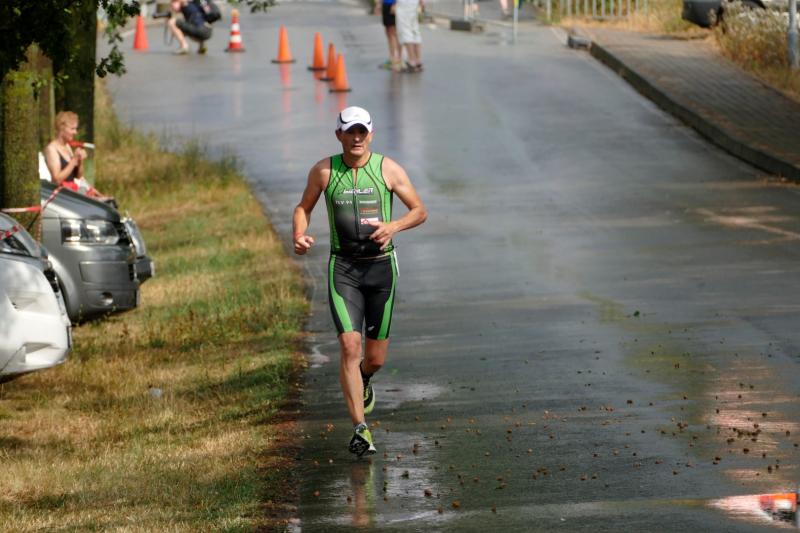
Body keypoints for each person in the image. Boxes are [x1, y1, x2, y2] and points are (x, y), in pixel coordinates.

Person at [293, 106, 427, 456]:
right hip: (344, 269)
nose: (356, 138)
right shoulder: (324, 171)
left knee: (375, 359)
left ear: (371, 134)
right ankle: (360, 429)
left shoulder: (388, 169)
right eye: (350, 132)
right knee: (350, 347)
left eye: (362, 132)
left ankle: (365, 377)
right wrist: (299, 234)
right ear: (338, 134)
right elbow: (303, 207)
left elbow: (419, 210)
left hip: (381, 268)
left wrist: (394, 226)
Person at [43, 111, 106, 199]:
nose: (75, 132)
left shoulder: (67, 147)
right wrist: (74, 160)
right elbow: (57, 179)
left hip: (72, 191)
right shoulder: (52, 149)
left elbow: (78, 176)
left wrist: (80, 161)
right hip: (61, 195)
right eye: (72, 129)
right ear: (62, 128)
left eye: (75, 129)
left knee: (103, 199)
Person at [395, 0, 424, 72]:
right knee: (414, 30)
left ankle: (411, 61)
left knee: (405, 30)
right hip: (414, 3)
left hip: (404, 3)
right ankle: (418, 60)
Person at [376, 0, 402, 71]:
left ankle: (398, 59)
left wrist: (395, 4)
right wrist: (379, 3)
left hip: (393, 5)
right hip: (386, 5)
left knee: (394, 33)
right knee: (388, 32)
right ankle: (392, 58)